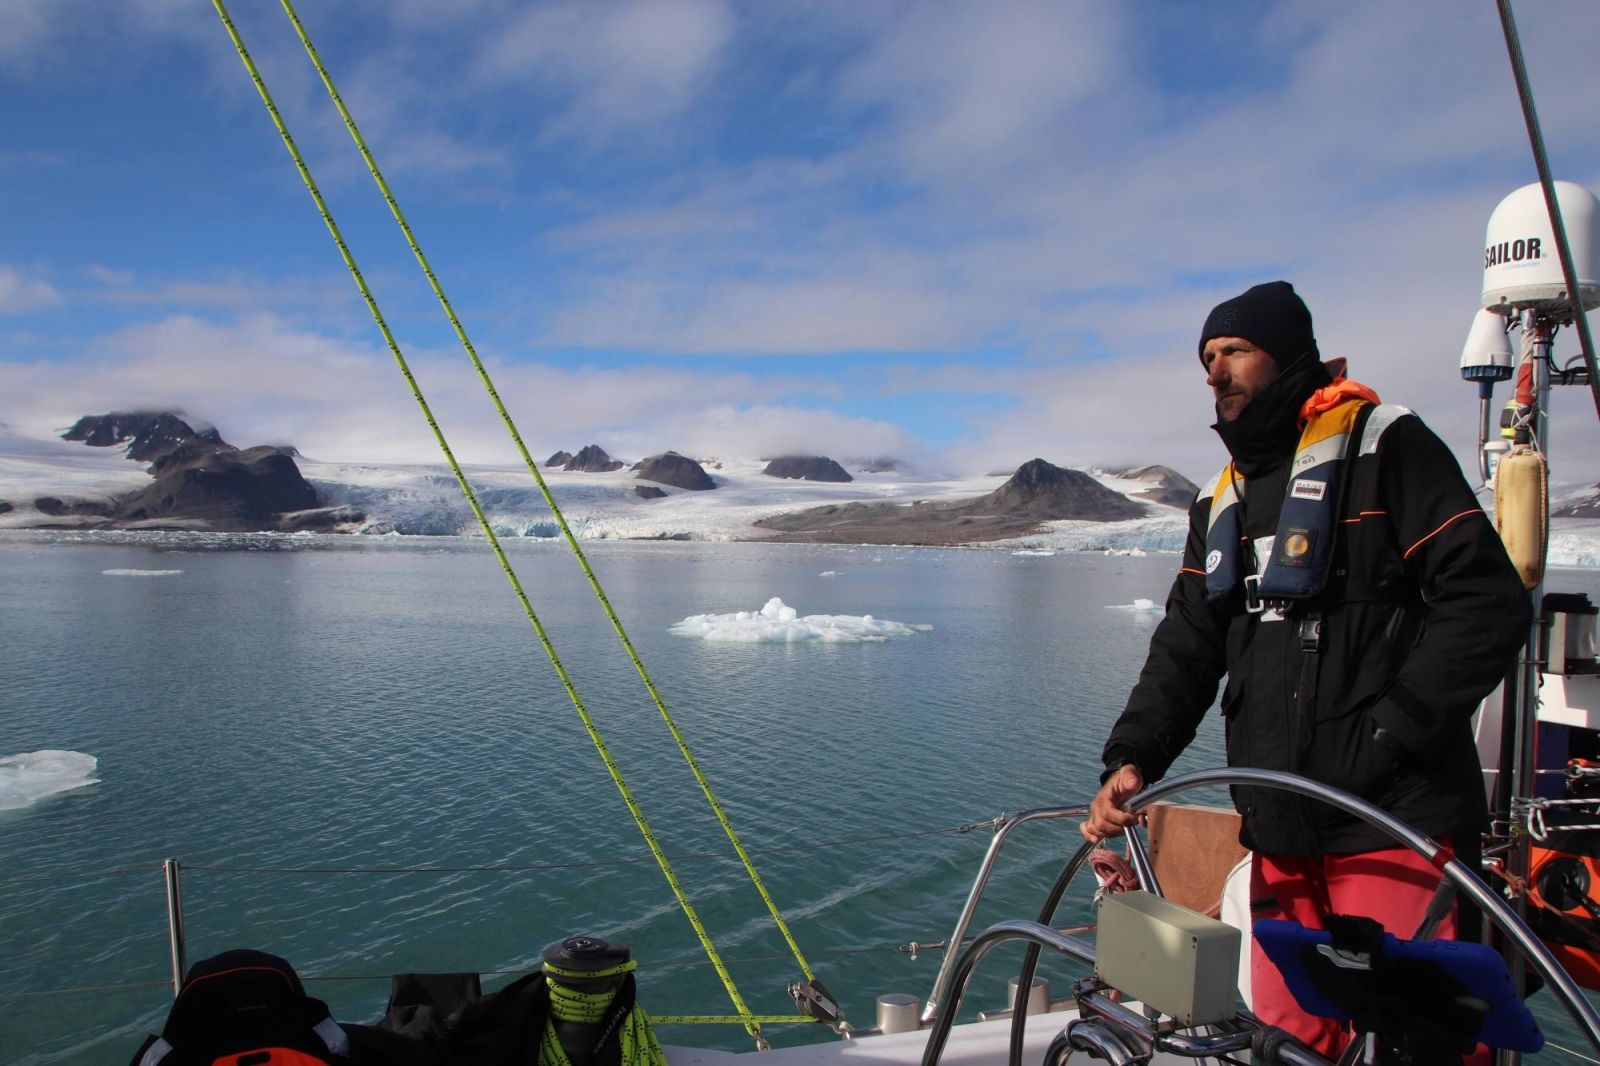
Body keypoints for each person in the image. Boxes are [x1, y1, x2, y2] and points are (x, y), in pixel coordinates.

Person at [1081, 281, 1530, 1055]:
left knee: (1423, 1043)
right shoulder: (1221, 501)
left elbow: (1486, 601)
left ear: (1288, 355)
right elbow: (1187, 647)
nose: (1215, 372)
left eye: (1234, 351)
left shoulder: (1386, 449)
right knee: (1289, 1043)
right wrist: (1134, 756)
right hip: (1282, 836)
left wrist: (1390, 733)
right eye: (1206, 358)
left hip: (1394, 824)